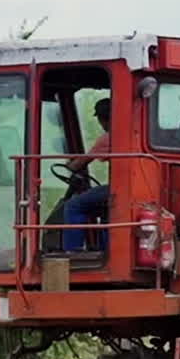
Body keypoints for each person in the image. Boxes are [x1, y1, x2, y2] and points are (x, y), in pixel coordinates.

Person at [61, 97, 111, 252]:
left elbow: (79, 164)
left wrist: (69, 165)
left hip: (119, 188)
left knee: (73, 205)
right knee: (105, 209)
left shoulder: (108, 138)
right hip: (133, 189)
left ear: (102, 119)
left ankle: (72, 252)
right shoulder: (131, 132)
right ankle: (104, 250)